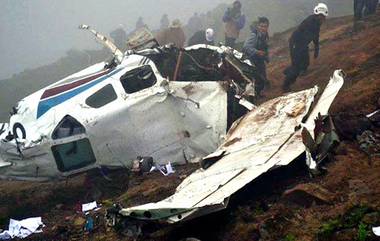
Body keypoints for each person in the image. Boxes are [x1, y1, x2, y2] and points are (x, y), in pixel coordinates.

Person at [282, 3, 328, 92]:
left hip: (302, 45)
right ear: (317, 15)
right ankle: (286, 85)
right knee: (296, 67)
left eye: (323, 16)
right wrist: (304, 49)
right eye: (320, 16)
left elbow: (315, 35)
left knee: (305, 63)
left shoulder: (316, 22)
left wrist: (316, 48)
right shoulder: (310, 22)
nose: (322, 18)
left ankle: (288, 71)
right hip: (296, 45)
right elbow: (303, 36)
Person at [243, 17, 270, 97]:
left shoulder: (264, 35)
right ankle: (255, 95)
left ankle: (258, 93)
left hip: (259, 59)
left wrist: (266, 57)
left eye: (265, 26)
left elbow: (264, 47)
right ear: (258, 26)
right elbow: (246, 47)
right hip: (252, 59)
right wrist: (257, 52)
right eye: (261, 26)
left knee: (262, 77)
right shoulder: (254, 36)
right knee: (258, 79)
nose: (263, 28)